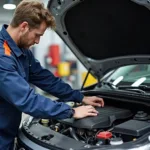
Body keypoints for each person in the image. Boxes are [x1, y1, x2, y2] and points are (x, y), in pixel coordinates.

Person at [0, 0, 104, 149]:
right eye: (37, 35)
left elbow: (46, 79)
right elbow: (27, 100)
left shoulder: (22, 51)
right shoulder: (2, 58)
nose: (37, 41)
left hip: (8, 133)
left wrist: (80, 97)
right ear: (24, 26)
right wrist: (71, 111)